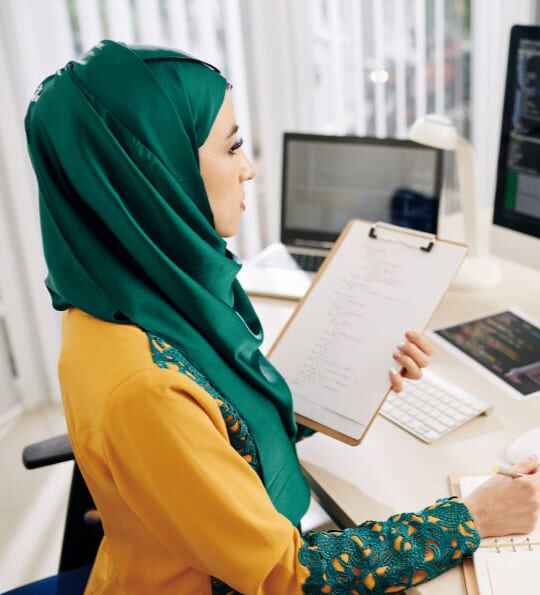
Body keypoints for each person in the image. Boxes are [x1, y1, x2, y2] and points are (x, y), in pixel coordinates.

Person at [23, 39, 540, 595]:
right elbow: (289, 576)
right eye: (232, 147)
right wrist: (471, 518)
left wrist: (355, 372)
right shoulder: (148, 386)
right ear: (153, 170)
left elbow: (220, 427)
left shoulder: (125, 295)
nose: (248, 169)